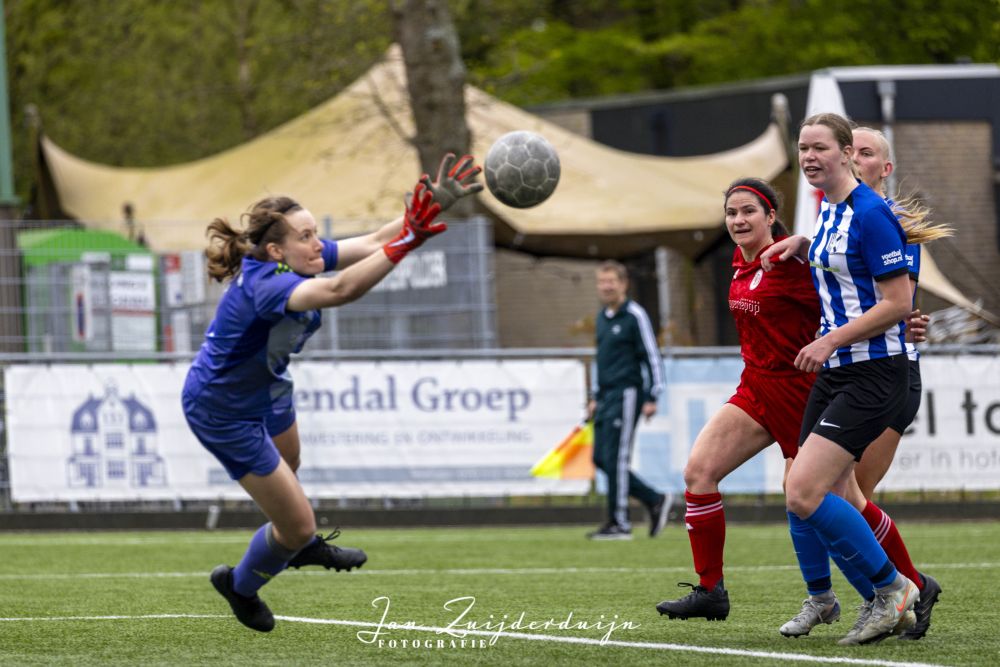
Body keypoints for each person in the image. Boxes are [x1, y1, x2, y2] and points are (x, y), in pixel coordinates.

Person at [182, 154, 483, 632]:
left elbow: (375, 241)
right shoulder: (267, 286)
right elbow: (340, 290)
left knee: (291, 470)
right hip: (222, 407)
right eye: (305, 236)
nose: (316, 243)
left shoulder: (297, 258)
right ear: (277, 251)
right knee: (298, 525)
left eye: (315, 233)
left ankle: (292, 543)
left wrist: (427, 208)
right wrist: (410, 240)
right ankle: (241, 585)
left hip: (267, 387)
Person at [760, 112, 919, 646]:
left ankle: (894, 589)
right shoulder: (829, 208)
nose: (809, 156)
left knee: (807, 491)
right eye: (803, 147)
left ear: (847, 153)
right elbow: (846, 266)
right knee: (804, 490)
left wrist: (829, 340)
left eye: (820, 147)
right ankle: (845, 596)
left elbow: (898, 302)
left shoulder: (872, 213)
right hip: (837, 371)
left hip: (873, 372)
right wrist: (802, 246)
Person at [655, 178, 820, 622]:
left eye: (749, 211)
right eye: (731, 213)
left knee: (815, 500)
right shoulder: (739, 262)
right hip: (756, 387)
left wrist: (900, 321)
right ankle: (711, 590)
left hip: (801, 393)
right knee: (699, 472)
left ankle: (897, 583)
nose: (739, 220)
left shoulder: (792, 262)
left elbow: (845, 299)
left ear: (771, 216)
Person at [586, 260, 669, 540]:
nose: (606, 287)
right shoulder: (602, 317)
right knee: (601, 458)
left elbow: (651, 355)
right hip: (606, 397)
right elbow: (602, 361)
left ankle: (619, 522)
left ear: (623, 284)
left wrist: (653, 394)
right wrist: (595, 397)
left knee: (617, 459)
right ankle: (654, 499)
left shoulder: (635, 315)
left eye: (611, 281)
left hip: (628, 394)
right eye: (602, 282)